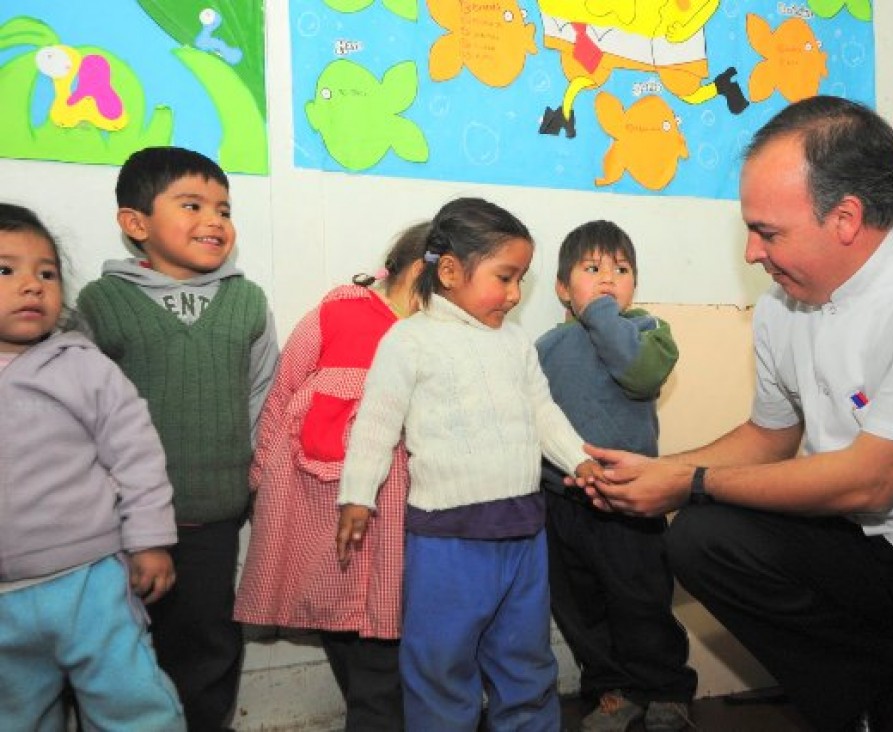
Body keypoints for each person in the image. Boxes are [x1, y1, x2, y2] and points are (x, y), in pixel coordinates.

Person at [580, 96, 893, 731]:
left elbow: (872, 476)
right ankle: (873, 703)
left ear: (847, 218)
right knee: (703, 539)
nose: (751, 253)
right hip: (865, 530)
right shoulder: (782, 308)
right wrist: (651, 471)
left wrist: (687, 482)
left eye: (767, 232)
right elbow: (770, 436)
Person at [336, 197, 602, 732]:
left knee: (526, 663)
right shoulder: (408, 341)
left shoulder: (515, 343)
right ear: (451, 271)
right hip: (448, 541)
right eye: (505, 276)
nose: (515, 293)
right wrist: (357, 496)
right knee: (440, 667)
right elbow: (376, 424)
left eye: (521, 278)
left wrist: (582, 461)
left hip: (524, 535)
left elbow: (543, 413)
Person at [77, 147, 279, 731]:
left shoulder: (246, 301)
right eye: (192, 205)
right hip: (116, 524)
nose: (214, 221)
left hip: (214, 517)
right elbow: (80, 411)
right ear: (135, 223)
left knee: (208, 645)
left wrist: (258, 487)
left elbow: (263, 396)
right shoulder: (102, 303)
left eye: (224, 208)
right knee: (120, 651)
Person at [234, 221, 429, 731]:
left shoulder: (435, 337)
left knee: (382, 644)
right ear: (420, 273)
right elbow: (283, 392)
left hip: (395, 518)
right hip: (319, 506)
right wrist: (258, 481)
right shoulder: (338, 311)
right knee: (340, 623)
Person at [0, 203, 185, 730]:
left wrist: (150, 540)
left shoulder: (83, 366)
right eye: (5, 270)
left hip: (89, 580)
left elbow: (137, 455)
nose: (32, 285)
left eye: (47, 273)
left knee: (132, 701)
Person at [536, 220, 696, 732]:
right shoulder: (546, 346)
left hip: (629, 498)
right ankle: (610, 689)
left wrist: (600, 310)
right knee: (579, 604)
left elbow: (638, 372)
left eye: (621, 270)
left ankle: (666, 689)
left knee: (641, 600)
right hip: (561, 497)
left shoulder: (648, 332)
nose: (608, 278)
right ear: (562, 288)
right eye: (592, 269)